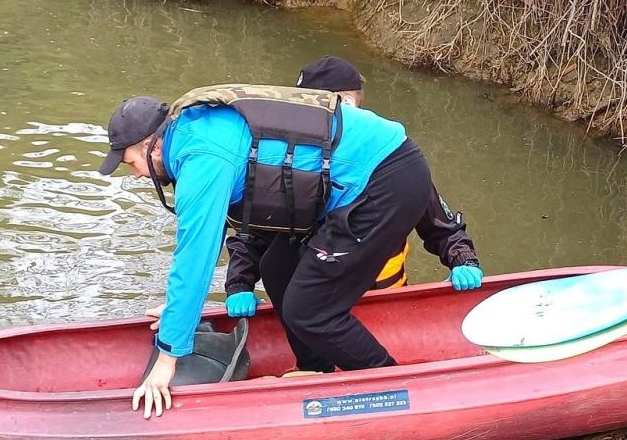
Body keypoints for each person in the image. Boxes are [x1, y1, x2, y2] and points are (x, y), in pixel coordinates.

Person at [98, 83, 441, 416]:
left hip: (385, 179)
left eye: (132, 164)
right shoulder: (191, 130)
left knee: (310, 309)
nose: (137, 176)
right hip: (364, 176)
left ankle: (391, 387)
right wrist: (178, 312)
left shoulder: (201, 159)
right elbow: (205, 244)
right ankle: (315, 369)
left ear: (152, 146)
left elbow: (194, 259)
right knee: (277, 268)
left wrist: (167, 359)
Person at [222, 56, 483, 338]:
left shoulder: (389, 162)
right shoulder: (292, 162)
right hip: (314, 303)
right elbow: (255, 230)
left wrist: (463, 261)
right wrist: (240, 284)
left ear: (346, 103)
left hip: (384, 304)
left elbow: (439, 223)